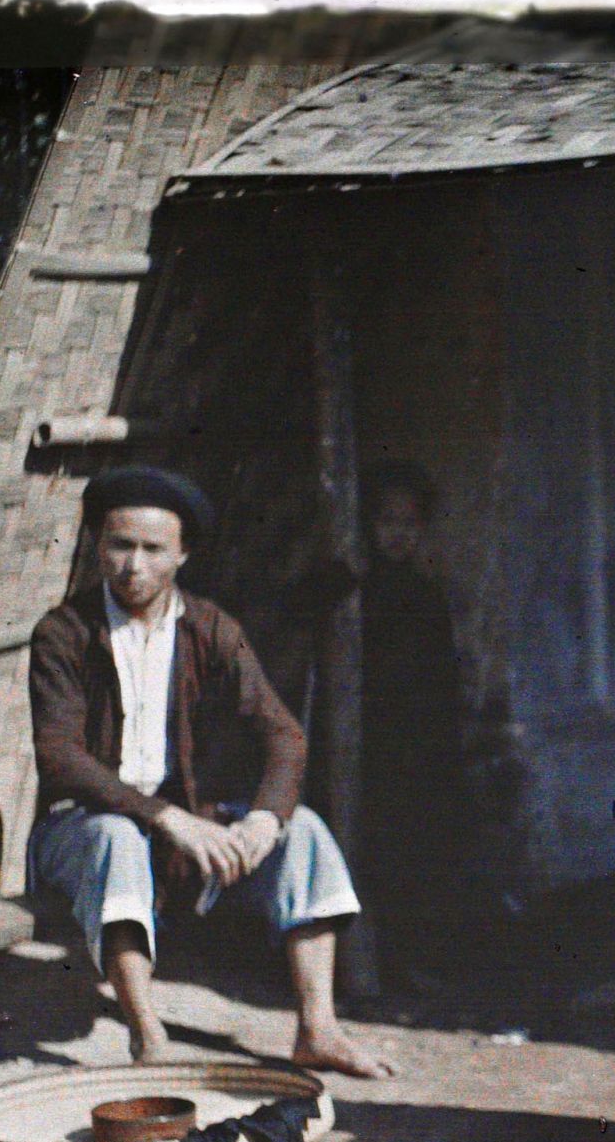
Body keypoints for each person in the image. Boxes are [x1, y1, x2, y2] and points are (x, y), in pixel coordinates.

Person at [26, 465, 395, 1078]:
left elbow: (284, 734)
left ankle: (318, 1030)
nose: (133, 566)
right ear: (97, 544)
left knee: (301, 832)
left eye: (153, 550)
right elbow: (61, 759)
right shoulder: (64, 634)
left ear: (183, 554)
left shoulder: (209, 629)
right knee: (118, 838)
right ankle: (149, 1037)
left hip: (182, 826)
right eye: (120, 545)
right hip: (83, 831)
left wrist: (261, 819)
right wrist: (163, 817)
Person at [359, 460, 468, 986]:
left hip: (419, 745)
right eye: (386, 522)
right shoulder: (356, 593)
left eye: (408, 523)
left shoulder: (425, 596)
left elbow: (441, 682)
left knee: (421, 848)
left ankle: (416, 960)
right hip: (371, 743)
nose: (397, 535)